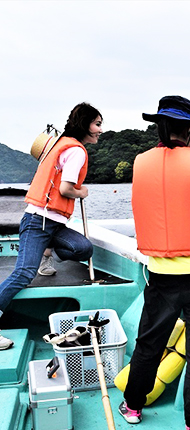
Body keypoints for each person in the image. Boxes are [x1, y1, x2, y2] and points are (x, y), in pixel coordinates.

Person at [119, 96, 190, 430]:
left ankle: (133, 406)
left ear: (160, 126)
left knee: (149, 343)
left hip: (162, 275)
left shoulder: (139, 162)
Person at [0, 103, 102, 350]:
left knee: (83, 249)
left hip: (54, 225)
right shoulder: (76, 151)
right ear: (84, 124)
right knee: (24, 273)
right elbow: (66, 188)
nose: (100, 130)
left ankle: (47, 251)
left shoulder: (61, 144)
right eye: (97, 124)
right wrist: (83, 191)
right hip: (38, 222)